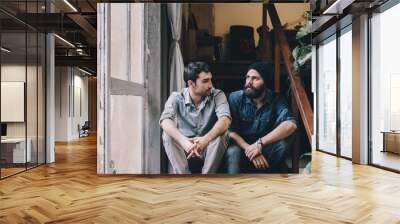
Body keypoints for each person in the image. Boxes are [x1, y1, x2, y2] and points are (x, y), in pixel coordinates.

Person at [224, 62, 297, 174]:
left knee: (284, 142)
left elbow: (290, 124)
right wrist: (250, 149)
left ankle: (268, 175)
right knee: (232, 151)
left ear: (265, 82)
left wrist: (260, 144)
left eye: (255, 78)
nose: (249, 82)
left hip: (265, 147)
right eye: (248, 77)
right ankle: (234, 187)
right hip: (242, 146)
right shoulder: (235, 98)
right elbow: (230, 130)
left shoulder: (276, 99)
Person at [160, 62, 231, 174]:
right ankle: (184, 178)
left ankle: (206, 178)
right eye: (205, 81)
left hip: (208, 146)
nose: (210, 85)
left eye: (210, 79)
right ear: (191, 83)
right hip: (185, 146)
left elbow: (225, 120)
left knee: (224, 133)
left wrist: (205, 139)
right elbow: (165, 121)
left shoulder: (217, 95)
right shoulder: (176, 97)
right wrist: (185, 142)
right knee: (167, 134)